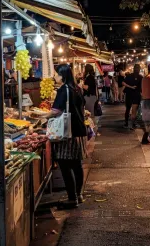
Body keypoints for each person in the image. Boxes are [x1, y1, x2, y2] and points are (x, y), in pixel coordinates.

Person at [46, 64, 87, 209]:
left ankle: (71, 198)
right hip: (79, 130)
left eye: (57, 74)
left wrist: (44, 116)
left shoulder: (64, 90)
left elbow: (56, 111)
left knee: (64, 164)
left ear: (62, 75)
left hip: (67, 132)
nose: (55, 76)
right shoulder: (77, 88)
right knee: (77, 164)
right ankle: (79, 194)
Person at [122, 64, 143, 130]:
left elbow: (123, 83)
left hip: (129, 94)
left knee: (128, 109)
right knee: (134, 111)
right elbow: (142, 87)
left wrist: (129, 87)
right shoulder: (141, 77)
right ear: (139, 69)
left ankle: (126, 123)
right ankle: (132, 125)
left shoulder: (129, 76)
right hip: (136, 95)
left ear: (133, 69)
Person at [82, 64, 98, 131]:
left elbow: (88, 87)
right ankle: (93, 129)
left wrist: (81, 85)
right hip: (91, 96)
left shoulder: (89, 77)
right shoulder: (91, 77)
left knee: (90, 113)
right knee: (90, 113)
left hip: (90, 97)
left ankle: (92, 129)